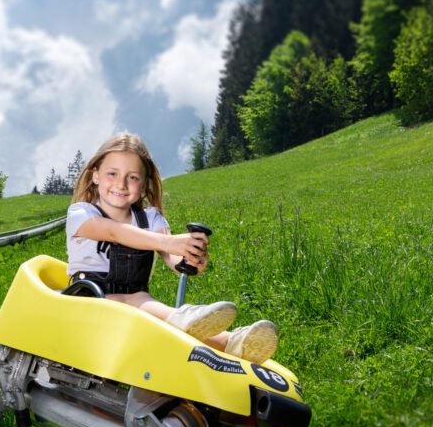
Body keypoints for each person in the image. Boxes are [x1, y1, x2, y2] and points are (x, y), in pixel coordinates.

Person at [65, 132, 278, 363]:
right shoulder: (81, 213)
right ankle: (184, 319)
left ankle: (233, 343)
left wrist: (190, 258)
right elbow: (114, 232)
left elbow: (172, 259)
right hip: (88, 301)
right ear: (95, 175)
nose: (121, 184)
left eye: (133, 177)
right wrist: (170, 241)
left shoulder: (150, 218)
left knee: (140, 301)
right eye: (112, 174)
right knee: (137, 303)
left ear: (144, 184)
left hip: (137, 301)